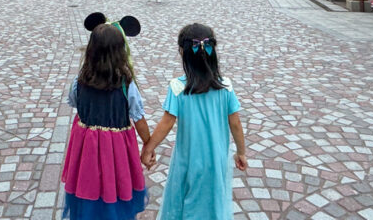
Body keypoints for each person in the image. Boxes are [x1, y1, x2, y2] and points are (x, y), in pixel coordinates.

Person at [141, 23, 247, 218]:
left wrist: (148, 148)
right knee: (214, 201)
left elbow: (166, 123)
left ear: (182, 52)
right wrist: (241, 152)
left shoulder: (178, 87)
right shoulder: (225, 86)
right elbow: (235, 123)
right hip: (216, 159)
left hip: (187, 158)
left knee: (183, 201)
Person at [62, 23, 151, 219]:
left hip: (87, 147)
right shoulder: (127, 86)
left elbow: (75, 103)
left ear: (91, 51)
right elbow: (138, 118)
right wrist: (148, 144)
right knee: (116, 184)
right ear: (120, 53)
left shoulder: (80, 82)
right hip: (116, 149)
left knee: (88, 183)